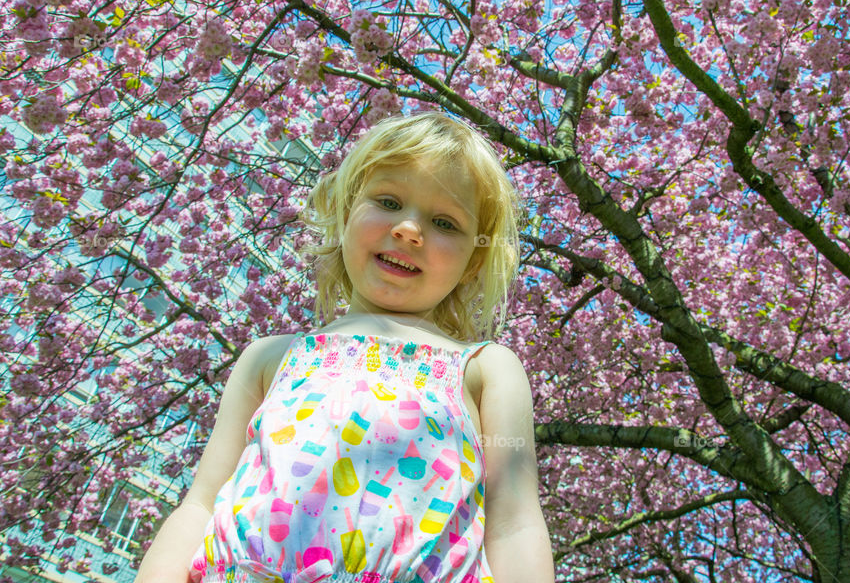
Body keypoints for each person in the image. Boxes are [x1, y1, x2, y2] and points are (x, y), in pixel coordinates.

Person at [134, 112, 555, 583]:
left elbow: (514, 521)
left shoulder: (485, 368)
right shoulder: (269, 357)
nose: (409, 229)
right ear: (346, 210)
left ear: (474, 261)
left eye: (444, 222)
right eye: (389, 201)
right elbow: (201, 502)